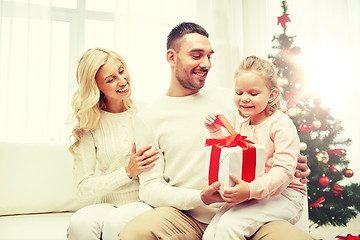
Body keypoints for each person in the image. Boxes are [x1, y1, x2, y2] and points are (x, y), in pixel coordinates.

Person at [118, 22, 311, 240]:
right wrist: (201, 197)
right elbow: (150, 188)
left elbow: (269, 136)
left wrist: (295, 162)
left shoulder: (236, 98)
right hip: (186, 217)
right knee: (135, 232)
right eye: (196, 55)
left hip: (250, 208)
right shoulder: (148, 117)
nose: (206, 64)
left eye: (209, 56)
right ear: (172, 57)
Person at [202, 56, 307, 240]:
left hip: (286, 196)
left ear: (272, 95)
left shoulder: (281, 124)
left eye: (253, 93)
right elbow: (227, 156)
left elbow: (283, 171)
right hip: (254, 193)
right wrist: (215, 132)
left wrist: (250, 191)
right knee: (211, 233)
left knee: (229, 227)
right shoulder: (242, 127)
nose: (244, 99)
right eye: (239, 92)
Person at [66, 47, 158, 240]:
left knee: (116, 222)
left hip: (142, 201)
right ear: (96, 87)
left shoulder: (148, 113)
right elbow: (83, 186)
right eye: (111, 79)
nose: (123, 81)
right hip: (106, 203)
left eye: (121, 70)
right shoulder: (88, 123)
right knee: (79, 223)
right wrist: (127, 172)